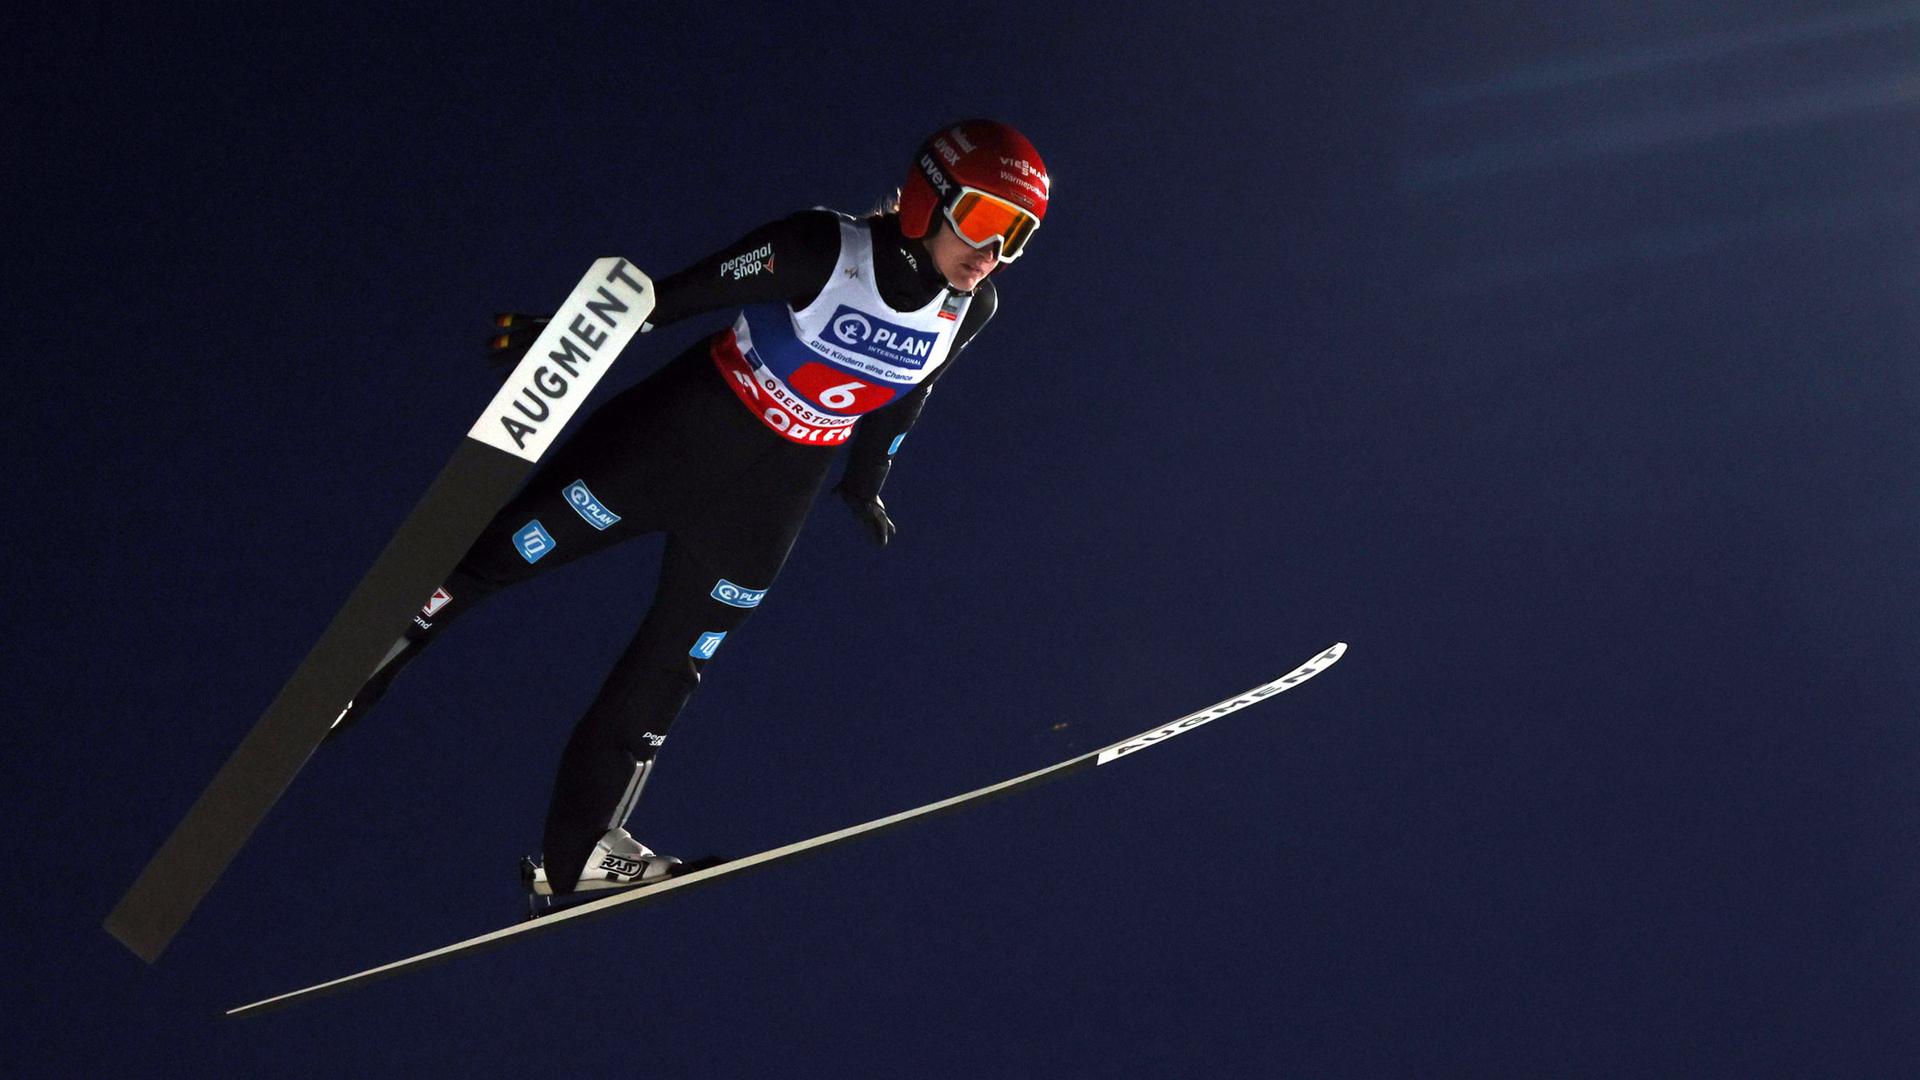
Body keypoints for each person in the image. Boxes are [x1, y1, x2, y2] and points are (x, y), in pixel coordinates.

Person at [326, 119, 1051, 897]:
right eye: (982, 220)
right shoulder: (821, 248)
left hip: (769, 504)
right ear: (926, 200)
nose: (993, 252)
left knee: (672, 669)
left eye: (1017, 234)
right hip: (673, 443)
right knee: (497, 557)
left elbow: (911, 394)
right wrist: (565, 333)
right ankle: (355, 675)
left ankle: (580, 855)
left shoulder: (971, 308)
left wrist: (865, 481)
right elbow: (669, 298)